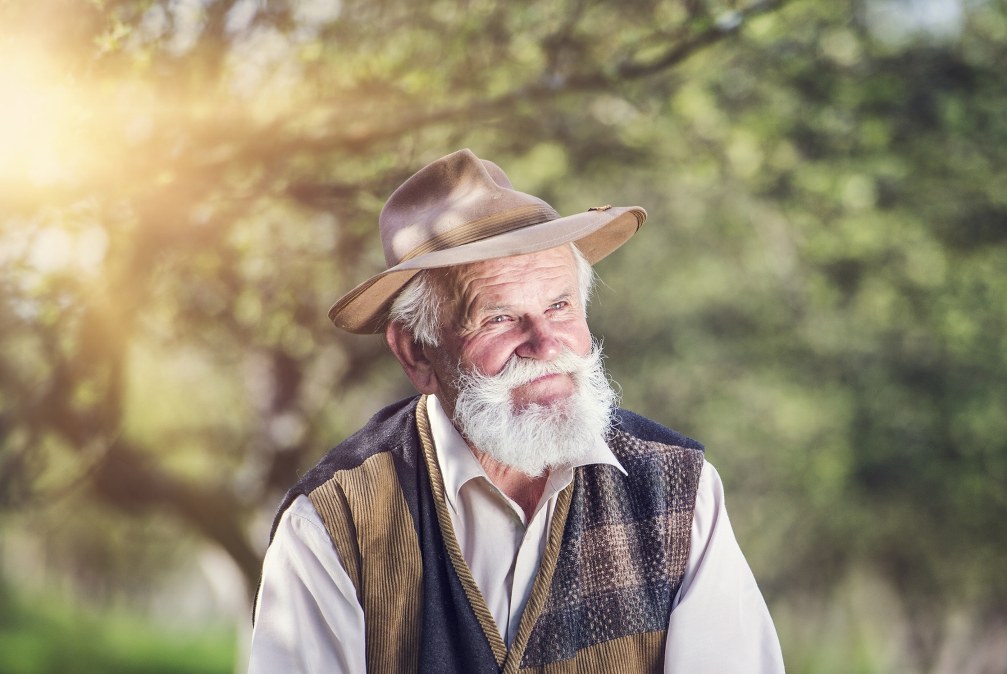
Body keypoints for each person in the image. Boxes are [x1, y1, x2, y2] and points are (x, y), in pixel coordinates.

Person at [247, 149, 784, 673]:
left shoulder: (679, 491)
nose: (546, 345)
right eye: (500, 319)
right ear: (416, 351)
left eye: (559, 306)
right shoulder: (332, 524)